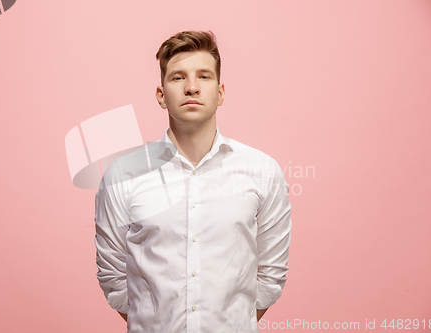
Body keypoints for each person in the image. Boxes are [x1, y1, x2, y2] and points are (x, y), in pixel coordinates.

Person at [94, 30, 292, 333]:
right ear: (161, 95)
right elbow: (114, 279)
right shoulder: (122, 176)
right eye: (177, 78)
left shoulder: (263, 171)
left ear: (221, 91)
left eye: (204, 77)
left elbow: (270, 276)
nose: (191, 88)